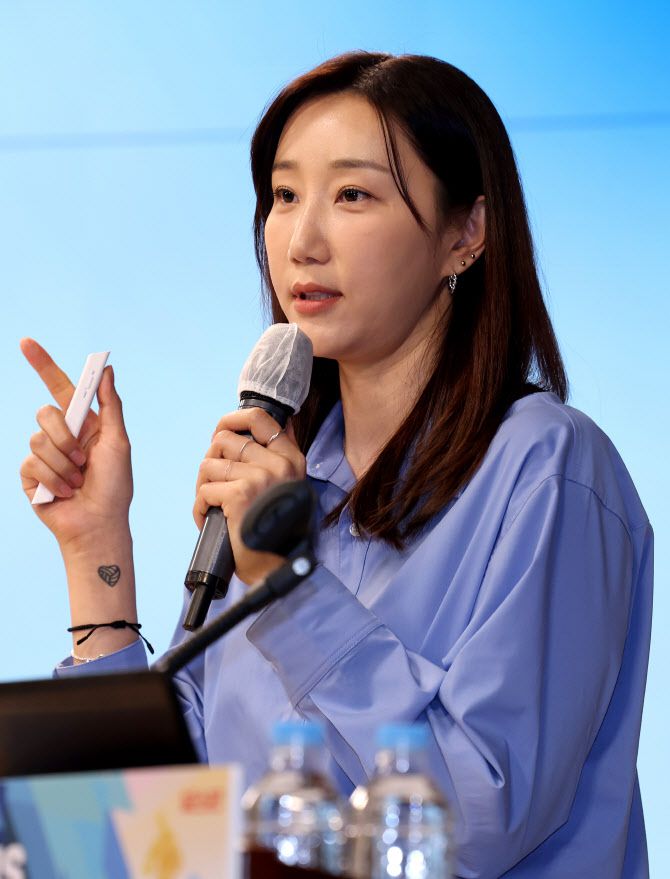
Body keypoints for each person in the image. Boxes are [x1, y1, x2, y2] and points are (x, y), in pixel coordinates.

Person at [19, 52, 652, 878]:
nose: (302, 241)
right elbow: (156, 831)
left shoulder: (549, 467)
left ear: (466, 233)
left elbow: (476, 824)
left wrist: (292, 590)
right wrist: (96, 550)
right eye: (284, 196)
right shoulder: (283, 482)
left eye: (353, 194)